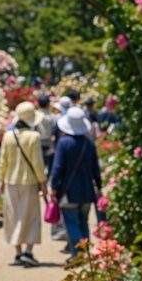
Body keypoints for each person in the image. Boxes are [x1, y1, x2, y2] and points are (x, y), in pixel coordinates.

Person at [0, 101, 47, 267]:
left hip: (11, 181)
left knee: (13, 216)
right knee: (31, 217)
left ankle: (18, 252)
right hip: (30, 182)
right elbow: (38, 163)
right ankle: (28, 251)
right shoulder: (34, 137)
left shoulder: (7, 136)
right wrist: (43, 184)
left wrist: (1, 180)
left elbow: (3, 161)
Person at [49, 107, 102, 256]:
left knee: (71, 222)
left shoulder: (64, 143)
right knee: (83, 221)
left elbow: (57, 168)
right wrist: (99, 187)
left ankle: (78, 253)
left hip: (68, 191)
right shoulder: (89, 144)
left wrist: (53, 188)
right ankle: (86, 252)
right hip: (87, 191)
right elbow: (95, 169)